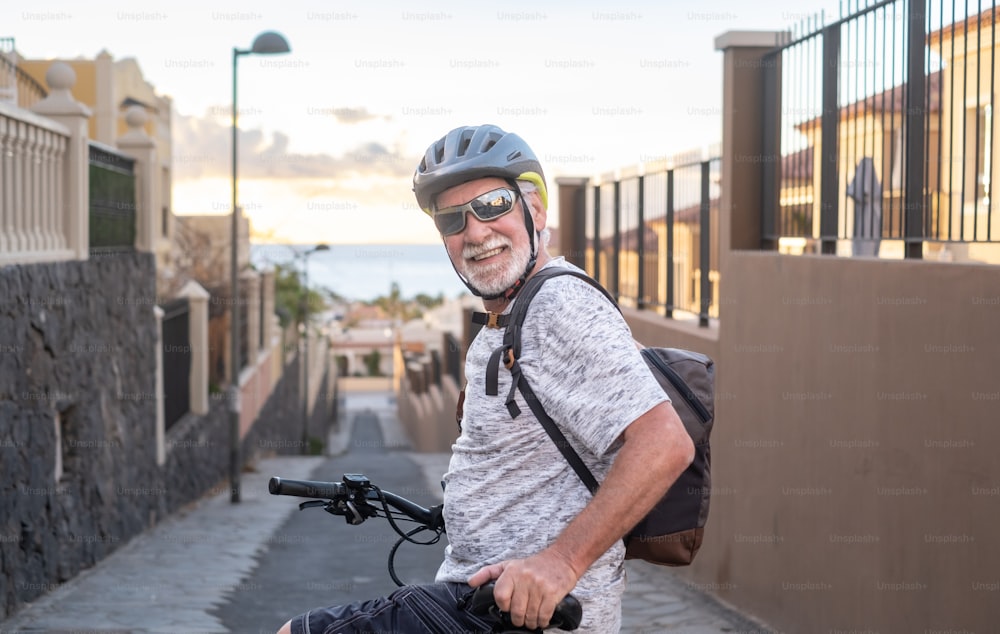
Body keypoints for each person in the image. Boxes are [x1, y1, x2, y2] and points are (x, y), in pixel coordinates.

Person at [277, 124, 694, 633]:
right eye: (453, 219)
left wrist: (560, 562)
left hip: (517, 616)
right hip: (477, 600)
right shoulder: (507, 319)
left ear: (535, 210)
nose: (475, 231)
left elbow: (665, 442)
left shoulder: (559, 304)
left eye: (494, 204)